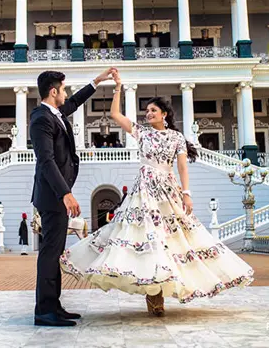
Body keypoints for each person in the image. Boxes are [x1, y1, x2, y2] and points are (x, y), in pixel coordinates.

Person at [60, 69, 254, 317]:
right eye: (147, 111)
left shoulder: (176, 138)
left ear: (164, 114)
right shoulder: (143, 132)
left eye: (153, 110)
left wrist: (187, 193)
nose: (148, 113)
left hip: (168, 190)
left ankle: (169, 286)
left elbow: (182, 166)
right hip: (144, 191)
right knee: (146, 237)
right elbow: (115, 114)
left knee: (174, 238)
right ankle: (154, 294)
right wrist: (118, 86)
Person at [30, 67, 115, 327]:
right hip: (52, 196)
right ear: (53, 91)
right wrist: (65, 193)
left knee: (54, 252)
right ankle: (45, 310)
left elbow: (75, 102)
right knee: (49, 253)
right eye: (63, 89)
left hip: (56, 194)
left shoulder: (55, 113)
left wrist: (97, 81)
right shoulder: (41, 119)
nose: (66, 93)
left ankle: (53, 306)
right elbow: (46, 160)